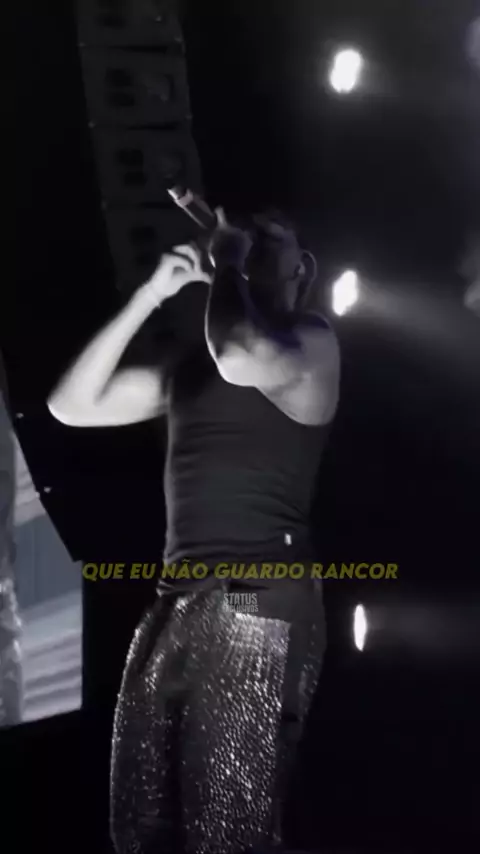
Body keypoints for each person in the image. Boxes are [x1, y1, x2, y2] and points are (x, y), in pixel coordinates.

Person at [47, 209, 340, 854]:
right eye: (247, 232)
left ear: (303, 268)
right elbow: (70, 405)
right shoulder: (188, 367)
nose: (254, 239)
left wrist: (229, 260)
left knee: (226, 827)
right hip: (177, 598)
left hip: (256, 596)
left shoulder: (310, 341)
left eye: (272, 236)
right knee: (140, 823)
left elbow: (237, 353)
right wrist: (151, 294)